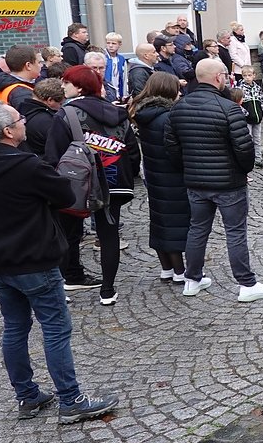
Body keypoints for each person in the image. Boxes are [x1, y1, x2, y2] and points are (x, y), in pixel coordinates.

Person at [0, 101, 119, 424]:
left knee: (15, 327)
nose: (24, 122)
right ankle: (71, 399)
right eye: (19, 120)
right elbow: (65, 196)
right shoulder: (26, 166)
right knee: (56, 328)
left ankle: (27, 395)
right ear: (8, 132)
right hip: (33, 258)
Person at [166, 58, 263, 302]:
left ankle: (192, 279)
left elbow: (172, 147)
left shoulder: (179, 107)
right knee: (235, 232)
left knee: (197, 229)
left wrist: (188, 169)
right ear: (218, 77)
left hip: (195, 181)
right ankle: (246, 284)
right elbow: (244, 148)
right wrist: (243, 171)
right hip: (229, 182)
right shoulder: (229, 108)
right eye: (225, 75)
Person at [45, 65, 141, 306]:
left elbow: (54, 154)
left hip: (76, 184)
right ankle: (107, 291)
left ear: (79, 87)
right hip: (114, 182)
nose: (62, 86)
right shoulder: (119, 113)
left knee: (67, 234)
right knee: (109, 236)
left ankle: (64, 286)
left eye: (66, 82)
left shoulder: (66, 114)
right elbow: (133, 152)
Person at [129, 72, 190, 284]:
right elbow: (176, 150)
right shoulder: (167, 117)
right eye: (177, 90)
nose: (179, 94)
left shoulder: (143, 113)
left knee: (160, 221)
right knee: (174, 224)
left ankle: (167, 268)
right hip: (172, 176)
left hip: (154, 174)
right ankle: (180, 272)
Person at [18, 77, 65, 158]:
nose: (60, 107)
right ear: (50, 100)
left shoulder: (18, 112)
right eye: (60, 104)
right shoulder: (49, 121)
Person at [0, 44, 40, 109]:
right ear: (28, 65)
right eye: (39, 62)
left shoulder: (4, 85)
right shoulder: (23, 95)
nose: (41, 65)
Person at [239, 66, 263, 165]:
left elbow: (261, 101)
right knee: (248, 139)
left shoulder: (257, 88)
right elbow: (238, 103)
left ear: (254, 76)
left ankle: (258, 158)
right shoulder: (240, 88)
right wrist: (246, 114)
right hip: (247, 119)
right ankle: (249, 160)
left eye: (249, 75)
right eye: (245, 75)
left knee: (257, 139)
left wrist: (261, 112)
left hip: (257, 118)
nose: (247, 77)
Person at [101, 32, 128, 102]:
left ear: (119, 45)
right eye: (108, 43)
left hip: (119, 91)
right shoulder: (103, 58)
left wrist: (124, 94)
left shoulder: (121, 59)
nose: (110, 46)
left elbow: (124, 78)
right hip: (107, 92)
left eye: (113, 43)